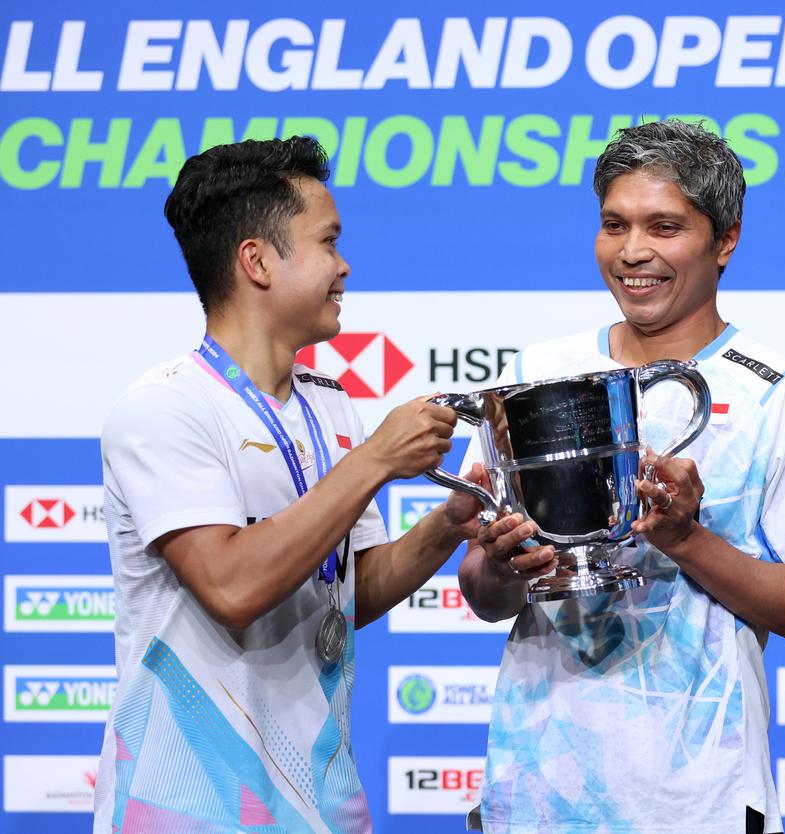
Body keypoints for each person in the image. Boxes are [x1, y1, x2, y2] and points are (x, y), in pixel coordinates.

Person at [93, 137, 515, 833]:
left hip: (324, 807)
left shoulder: (330, 403)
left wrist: (449, 522)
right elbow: (231, 588)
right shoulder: (164, 407)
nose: (344, 266)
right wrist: (374, 461)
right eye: (328, 242)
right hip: (188, 809)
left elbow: (352, 589)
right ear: (256, 260)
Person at [458, 119, 785, 834]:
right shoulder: (533, 377)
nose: (633, 252)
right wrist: (501, 561)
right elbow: (485, 597)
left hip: (699, 796)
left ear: (725, 238)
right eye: (614, 224)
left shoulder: (780, 392)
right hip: (536, 787)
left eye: (664, 227)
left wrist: (686, 538)